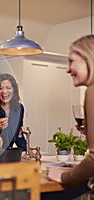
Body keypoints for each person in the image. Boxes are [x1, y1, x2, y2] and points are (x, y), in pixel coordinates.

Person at [47, 34, 94, 196]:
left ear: (88, 58)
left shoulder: (92, 91)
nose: (68, 69)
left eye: (71, 61)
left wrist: (65, 176)